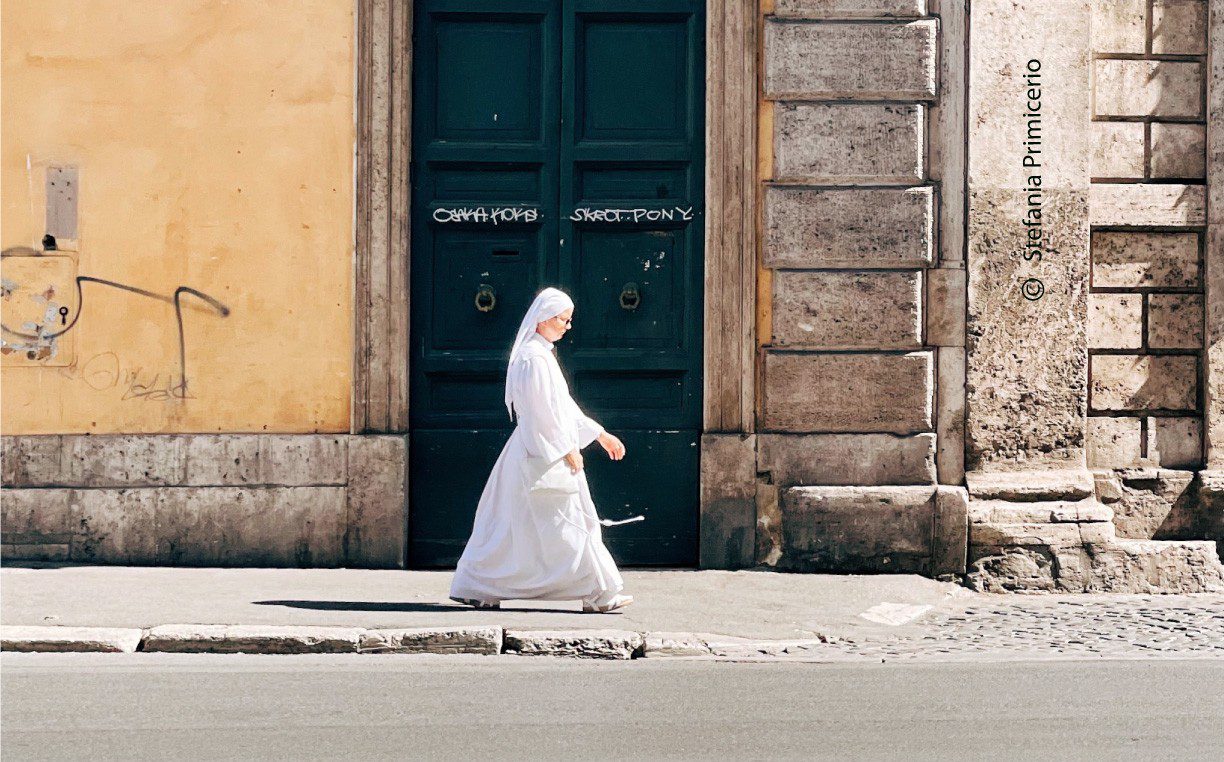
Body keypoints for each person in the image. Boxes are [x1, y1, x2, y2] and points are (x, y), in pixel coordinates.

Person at [448, 287, 634, 613]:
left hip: (535, 451)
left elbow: (561, 405)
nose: (568, 326)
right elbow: (540, 412)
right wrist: (566, 450)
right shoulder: (534, 358)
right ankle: (598, 593)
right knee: (570, 521)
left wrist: (599, 435)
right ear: (544, 319)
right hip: (543, 453)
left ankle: (479, 587)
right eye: (563, 319)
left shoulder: (539, 355)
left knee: (509, 525)